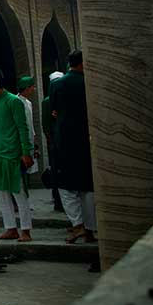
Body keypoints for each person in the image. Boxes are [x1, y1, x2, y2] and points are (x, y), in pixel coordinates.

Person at [50, 50, 97, 243]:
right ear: (83, 64)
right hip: (86, 138)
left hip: (65, 139)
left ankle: (77, 225)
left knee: (66, 186)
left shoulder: (57, 85)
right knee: (87, 186)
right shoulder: (89, 83)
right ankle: (90, 229)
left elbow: (54, 111)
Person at [0, 69, 35, 242]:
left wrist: (26, 152)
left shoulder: (14, 101)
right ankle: (10, 228)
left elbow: (22, 128)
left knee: (19, 191)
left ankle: (26, 230)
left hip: (13, 154)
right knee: (1, 193)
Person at [42, 70, 66, 212]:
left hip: (65, 141)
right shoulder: (47, 102)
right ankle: (58, 201)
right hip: (56, 143)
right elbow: (46, 125)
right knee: (57, 172)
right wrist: (52, 142)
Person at [16, 76, 40, 178]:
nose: (34, 89)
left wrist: (34, 139)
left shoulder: (28, 103)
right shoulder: (15, 101)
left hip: (29, 140)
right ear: (26, 88)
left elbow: (30, 123)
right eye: (32, 87)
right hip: (20, 142)